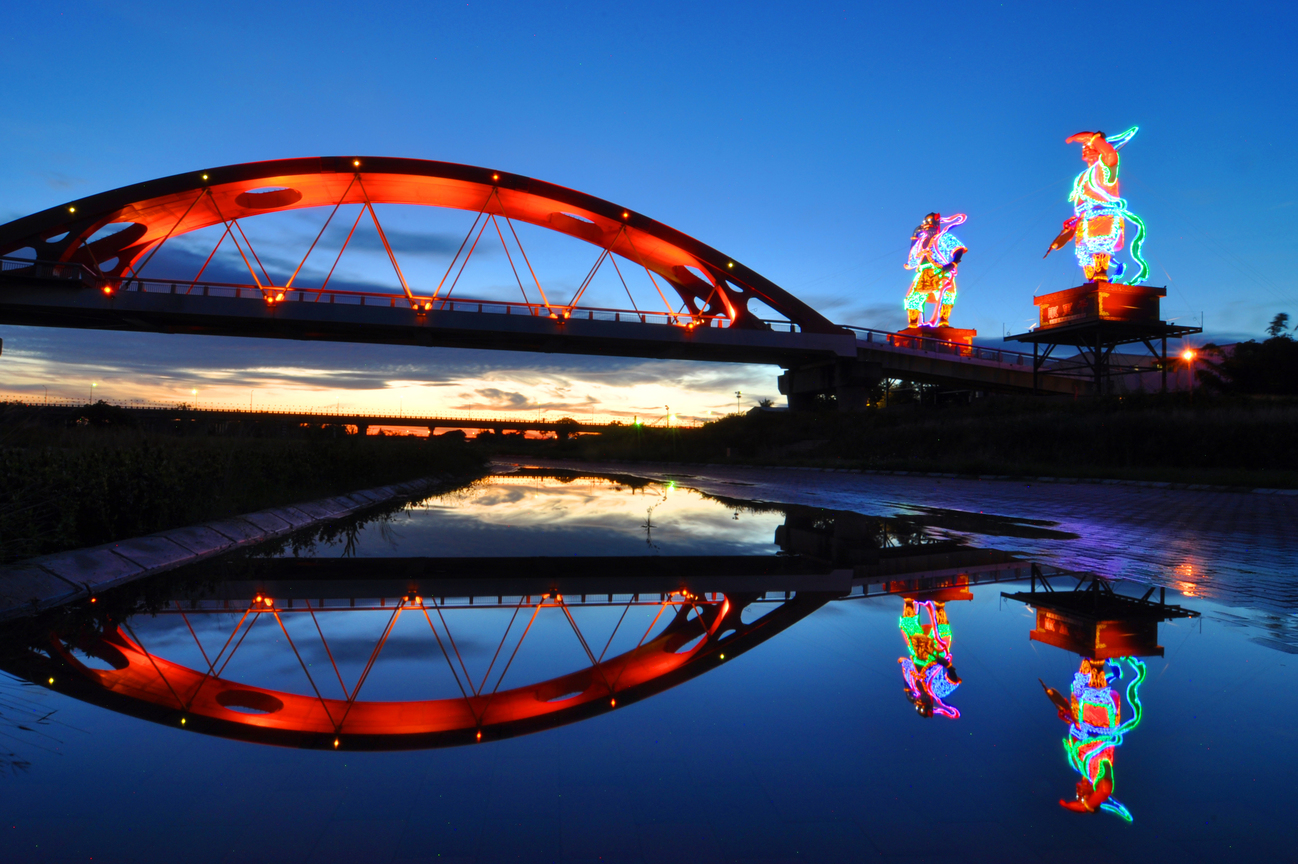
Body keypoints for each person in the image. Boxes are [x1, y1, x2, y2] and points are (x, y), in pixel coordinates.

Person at [1039, 656, 1146, 821]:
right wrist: (1086, 806)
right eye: (1081, 795)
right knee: (1094, 677)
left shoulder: (1079, 765)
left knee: (1083, 674)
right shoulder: (1096, 771)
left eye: (1078, 794)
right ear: (1091, 794)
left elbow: (1078, 734)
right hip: (1098, 716)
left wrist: (1068, 715)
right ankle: (1099, 658)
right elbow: (1105, 789)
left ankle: (1094, 656)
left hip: (1083, 714)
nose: (1078, 791)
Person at [1044, 127, 1149, 284]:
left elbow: (1110, 154)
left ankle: (1101, 277)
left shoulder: (1105, 169)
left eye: (1089, 146)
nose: (1085, 149)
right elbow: (1080, 201)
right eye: (1084, 147)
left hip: (1103, 215)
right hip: (1084, 219)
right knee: (1082, 253)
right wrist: (1073, 221)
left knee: (1100, 246)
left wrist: (1093, 138)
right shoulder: (1081, 177)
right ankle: (1092, 281)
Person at [898, 597, 961, 718]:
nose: (922, 698)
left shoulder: (913, 684)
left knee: (907, 630)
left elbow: (906, 668)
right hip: (935, 656)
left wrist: (908, 692)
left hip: (917, 652)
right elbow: (953, 680)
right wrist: (947, 665)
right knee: (943, 636)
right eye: (925, 701)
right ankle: (939, 607)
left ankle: (909, 602)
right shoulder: (937, 691)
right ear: (930, 702)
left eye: (919, 701)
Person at [903, 212, 968, 328]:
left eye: (931, 226)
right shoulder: (920, 242)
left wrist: (953, 263)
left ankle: (943, 321)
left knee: (947, 294)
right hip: (923, 272)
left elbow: (958, 249)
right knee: (913, 297)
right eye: (927, 227)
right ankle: (913, 324)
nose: (929, 229)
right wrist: (914, 238)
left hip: (940, 271)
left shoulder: (943, 237)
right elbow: (912, 261)